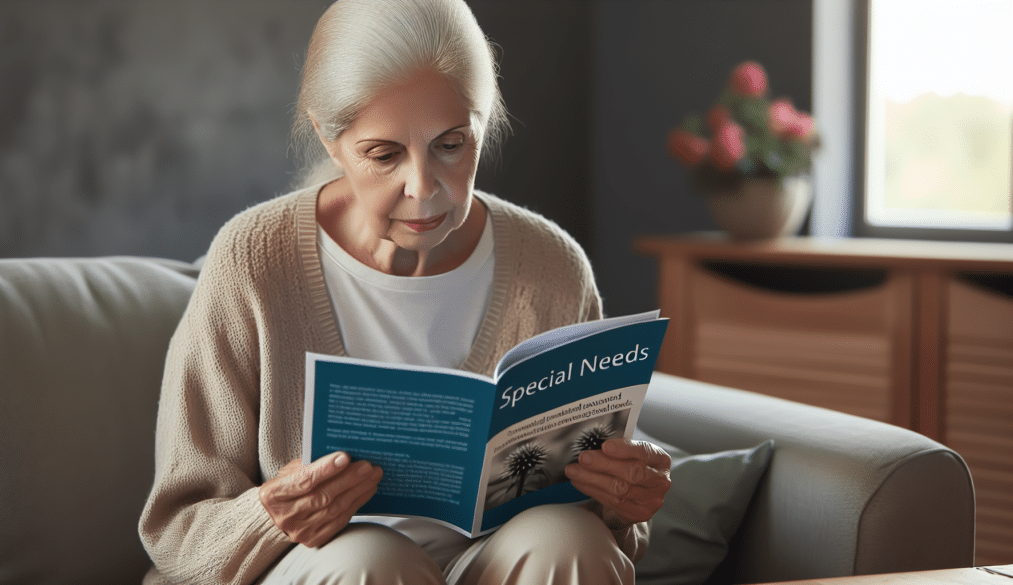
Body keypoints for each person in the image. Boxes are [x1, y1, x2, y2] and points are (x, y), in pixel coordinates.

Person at [138, 0, 672, 583]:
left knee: (566, 539)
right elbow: (180, 529)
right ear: (329, 136)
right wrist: (271, 515)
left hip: (491, 562)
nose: (423, 189)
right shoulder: (253, 260)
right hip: (324, 569)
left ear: (483, 124)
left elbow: (608, 520)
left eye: (450, 145)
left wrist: (623, 501)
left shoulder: (550, 266)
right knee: (370, 561)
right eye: (384, 154)